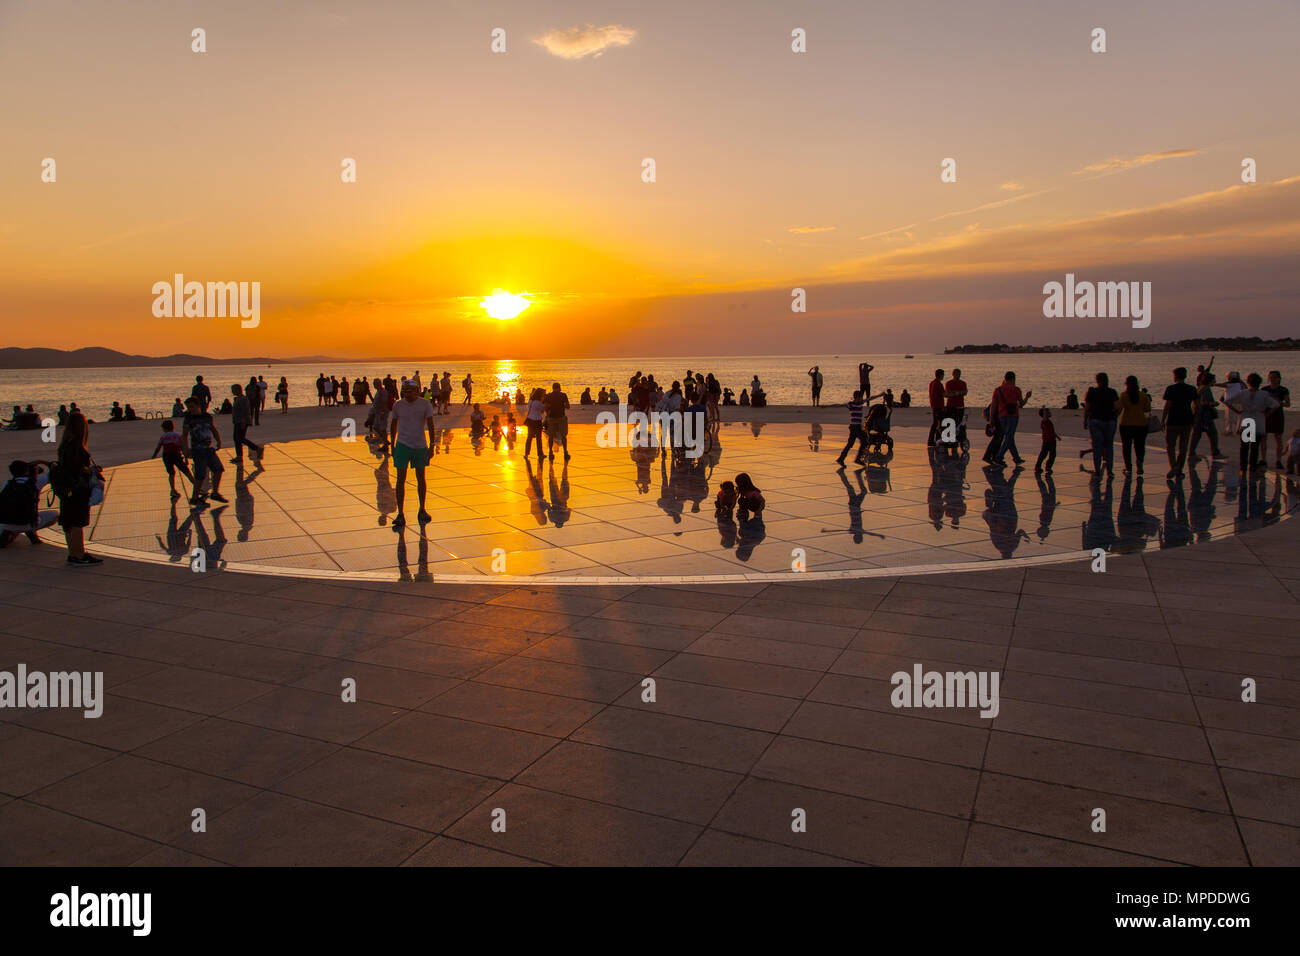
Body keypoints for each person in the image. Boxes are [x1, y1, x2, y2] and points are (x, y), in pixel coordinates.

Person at [52, 413, 102, 565]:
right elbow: (76, 468)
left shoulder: (65, 443)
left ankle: (75, 552)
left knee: (70, 521)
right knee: (76, 521)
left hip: (67, 488)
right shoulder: (76, 445)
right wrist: (91, 470)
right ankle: (78, 555)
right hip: (77, 488)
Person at [388, 379, 436, 528]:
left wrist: (432, 445)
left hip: (420, 445)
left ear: (417, 391)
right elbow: (393, 425)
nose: (407, 395)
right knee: (400, 479)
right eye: (405, 392)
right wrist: (393, 445)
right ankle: (400, 513)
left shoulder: (425, 404)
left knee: (421, 478)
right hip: (403, 445)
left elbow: (430, 425)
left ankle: (422, 509)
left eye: (410, 391)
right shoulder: (398, 405)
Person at [1225, 373, 1279, 473]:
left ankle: (1243, 466)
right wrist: (1267, 413)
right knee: (1255, 446)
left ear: (1248, 382)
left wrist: (1238, 412)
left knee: (1244, 446)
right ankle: (1252, 466)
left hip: (1246, 420)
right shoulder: (1264, 394)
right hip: (1258, 420)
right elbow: (1275, 404)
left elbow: (1227, 401)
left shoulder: (1243, 393)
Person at [0, 460, 58, 548]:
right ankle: (30, 532)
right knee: (54, 514)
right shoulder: (37, 481)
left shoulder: (7, 484)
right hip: (29, 523)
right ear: (27, 471)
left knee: (17, 513)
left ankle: (10, 533)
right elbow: (56, 473)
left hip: (6, 524)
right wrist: (44, 462)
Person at [182, 396, 227, 506]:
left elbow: (213, 428)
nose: (190, 409)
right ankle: (194, 498)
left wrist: (218, 440)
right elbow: (184, 435)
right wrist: (186, 450)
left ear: (198, 406)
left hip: (208, 449)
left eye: (192, 407)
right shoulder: (189, 419)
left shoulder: (207, 417)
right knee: (200, 475)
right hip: (197, 451)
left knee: (218, 469)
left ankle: (215, 492)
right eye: (188, 408)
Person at [1161, 367, 1198, 480]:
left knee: (1170, 446)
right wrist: (1195, 418)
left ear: (1176, 376)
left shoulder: (1171, 389)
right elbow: (1197, 405)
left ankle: (1174, 467)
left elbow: (1167, 405)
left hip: (1173, 420)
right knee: (1183, 447)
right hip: (1187, 420)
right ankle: (1179, 468)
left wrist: (1163, 420)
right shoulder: (1191, 389)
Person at [991, 371, 1031, 467]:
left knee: (1009, 437)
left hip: (1001, 416)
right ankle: (998, 457)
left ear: (1004, 378)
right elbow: (1021, 404)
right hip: (1013, 416)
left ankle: (1016, 459)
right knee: (1009, 437)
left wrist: (992, 418)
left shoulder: (998, 390)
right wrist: (1027, 397)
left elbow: (993, 405)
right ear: (1013, 378)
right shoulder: (1016, 389)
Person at [1083, 372, 1119, 476]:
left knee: (1097, 446)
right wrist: (1114, 418)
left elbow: (1087, 408)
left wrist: (1085, 421)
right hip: (1109, 421)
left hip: (1095, 421)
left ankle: (1097, 469)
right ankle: (1110, 470)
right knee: (1109, 446)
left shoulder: (1092, 392)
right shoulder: (1112, 392)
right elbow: (1117, 407)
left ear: (1097, 381)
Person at [150, 419, 194, 500]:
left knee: (171, 474)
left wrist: (154, 456)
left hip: (167, 456)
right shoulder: (178, 435)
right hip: (176, 455)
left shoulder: (163, 436)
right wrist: (186, 458)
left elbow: (158, 447)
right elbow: (182, 447)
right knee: (186, 471)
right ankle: (197, 486)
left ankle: (173, 490)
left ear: (164, 428)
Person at [1118, 375, 1153, 476]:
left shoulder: (1123, 395)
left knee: (1126, 447)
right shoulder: (1143, 396)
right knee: (1140, 446)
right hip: (1141, 424)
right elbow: (1147, 410)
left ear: (1126, 384)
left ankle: (1128, 467)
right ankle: (1140, 464)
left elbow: (1119, 409)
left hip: (1126, 424)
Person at [1189, 372, 1225, 461]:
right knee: (1212, 434)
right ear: (1210, 381)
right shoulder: (1206, 389)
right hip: (1204, 416)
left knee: (1196, 435)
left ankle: (1192, 452)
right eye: (1214, 380)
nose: (1215, 382)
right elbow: (1202, 403)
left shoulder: (1200, 388)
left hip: (1198, 415)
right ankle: (1215, 453)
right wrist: (1212, 403)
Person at [229, 384, 263, 466]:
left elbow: (245, 411)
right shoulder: (238, 399)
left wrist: (243, 422)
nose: (232, 391)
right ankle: (239, 456)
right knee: (237, 439)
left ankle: (256, 448)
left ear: (238, 390)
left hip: (241, 422)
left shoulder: (243, 399)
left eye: (233, 390)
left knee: (240, 438)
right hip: (237, 421)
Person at [1262, 371, 1290, 469]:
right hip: (1266, 415)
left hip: (1277, 415)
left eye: (1274, 377)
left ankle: (1278, 460)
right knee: (1263, 438)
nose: (1272, 379)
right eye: (1271, 377)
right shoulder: (1265, 389)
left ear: (1279, 378)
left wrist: (1278, 402)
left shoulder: (1283, 390)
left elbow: (1288, 404)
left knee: (1278, 438)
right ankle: (1263, 459)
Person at [836, 389, 868, 467]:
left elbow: (870, 398)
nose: (861, 399)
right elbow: (839, 405)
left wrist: (880, 395)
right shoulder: (851, 404)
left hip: (856, 427)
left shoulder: (860, 403)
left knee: (850, 443)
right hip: (854, 427)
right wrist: (825, 406)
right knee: (864, 441)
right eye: (860, 397)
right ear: (856, 398)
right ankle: (857, 459)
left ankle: (841, 458)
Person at [544, 382, 570, 460]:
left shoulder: (548, 396)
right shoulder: (563, 395)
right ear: (559, 387)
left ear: (553, 388)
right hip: (561, 417)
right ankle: (565, 452)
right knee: (563, 436)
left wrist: (549, 413)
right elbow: (568, 406)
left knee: (551, 436)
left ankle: (550, 452)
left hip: (551, 418)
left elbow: (546, 407)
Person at [524, 388, 546, 460]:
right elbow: (543, 410)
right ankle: (540, 454)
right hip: (537, 421)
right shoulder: (539, 403)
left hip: (530, 420)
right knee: (538, 438)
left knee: (529, 437)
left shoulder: (530, 401)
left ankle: (526, 453)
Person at [1035, 408, 1057, 474]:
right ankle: (1038, 466)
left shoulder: (1049, 422)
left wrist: (1057, 436)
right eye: (1048, 412)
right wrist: (1044, 410)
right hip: (1047, 441)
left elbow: (1052, 431)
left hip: (1052, 441)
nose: (1050, 413)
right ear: (1044, 415)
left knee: (1052, 455)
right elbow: (1044, 417)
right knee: (1043, 454)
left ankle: (1048, 466)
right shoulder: (1044, 422)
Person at [927, 369, 946, 446]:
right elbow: (943, 394)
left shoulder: (932, 383)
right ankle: (937, 439)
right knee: (939, 424)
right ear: (940, 375)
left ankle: (932, 440)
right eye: (943, 375)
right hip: (938, 406)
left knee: (935, 423)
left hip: (934, 406)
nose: (943, 376)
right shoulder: (938, 384)